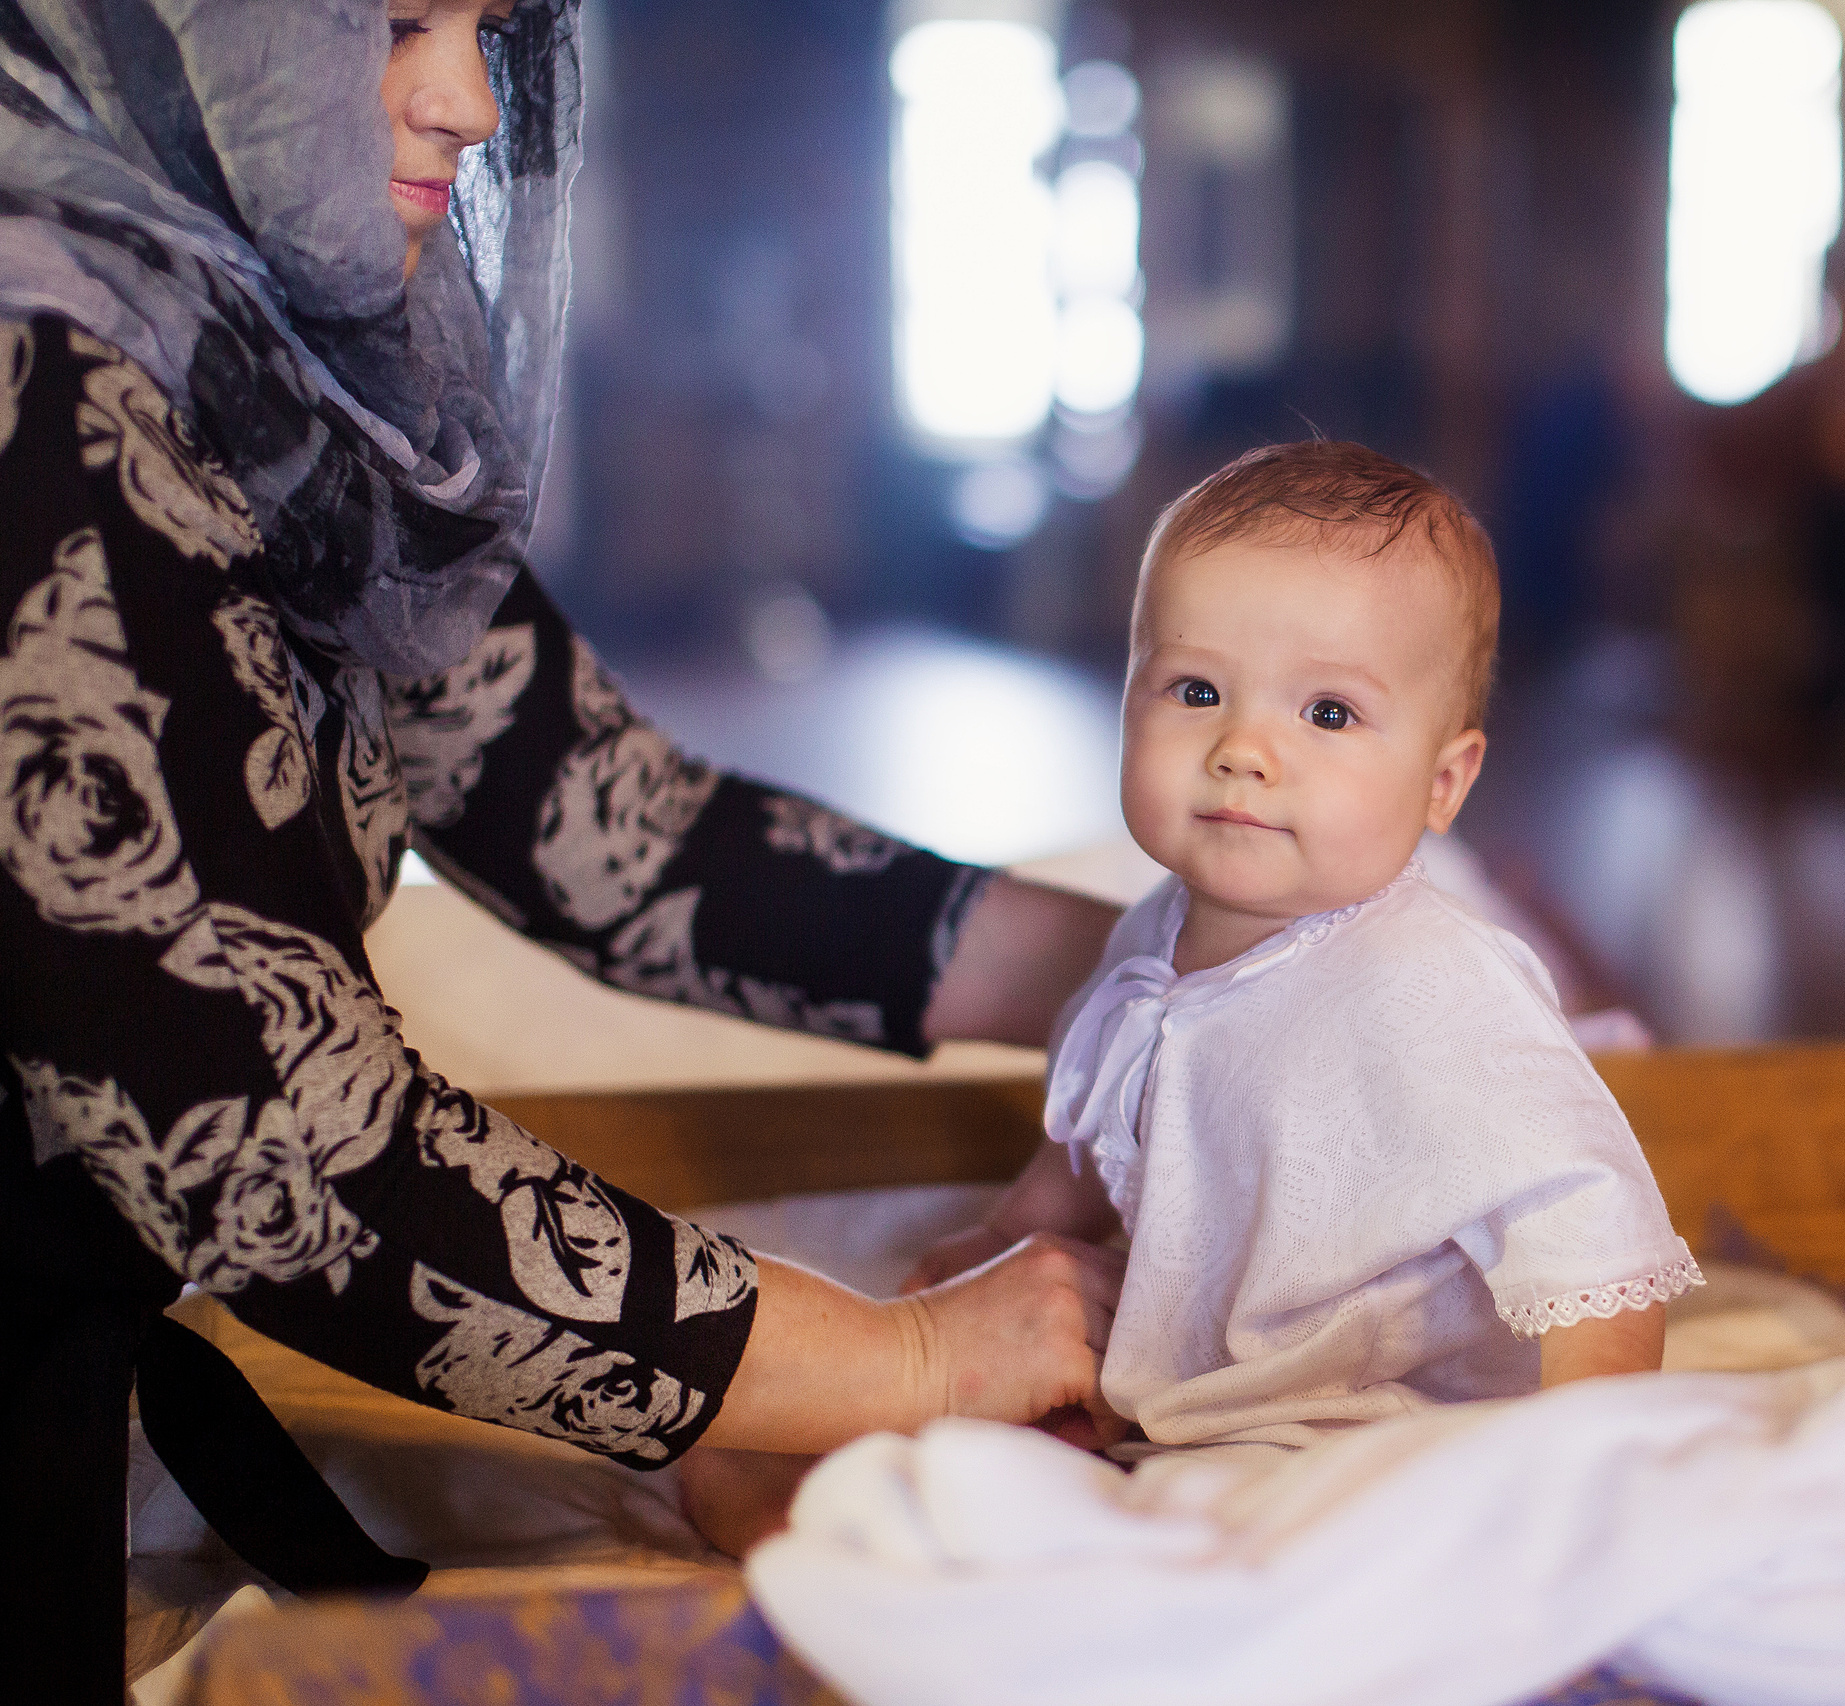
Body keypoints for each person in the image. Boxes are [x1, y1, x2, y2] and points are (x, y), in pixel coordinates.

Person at [0, 2, 1120, 1696]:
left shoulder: (251, 358)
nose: (461, 104)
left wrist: (1155, 969)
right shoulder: (33, 373)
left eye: (487, 30)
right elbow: (282, 1150)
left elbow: (596, 814)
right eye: (386, 26)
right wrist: (899, 1362)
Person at [905, 441, 1703, 1452]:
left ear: (1442, 783)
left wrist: (1582, 1448)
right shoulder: (1155, 927)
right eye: (1195, 690)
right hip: (1208, 1390)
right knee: (960, 1444)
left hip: (1383, 1412)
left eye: (1327, 712)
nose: (1243, 748)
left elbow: (1591, 1221)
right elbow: (1107, 1115)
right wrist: (1011, 1230)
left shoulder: (1431, 983)